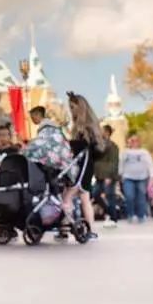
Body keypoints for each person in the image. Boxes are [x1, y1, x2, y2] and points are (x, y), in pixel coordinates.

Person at [62, 93, 105, 240]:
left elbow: (78, 149)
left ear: (79, 109)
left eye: (72, 108)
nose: (70, 110)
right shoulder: (89, 129)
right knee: (85, 198)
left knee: (67, 198)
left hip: (81, 169)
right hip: (86, 168)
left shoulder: (82, 130)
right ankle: (90, 229)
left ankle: (64, 227)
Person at [24, 106, 74, 190]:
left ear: (38, 114)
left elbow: (40, 145)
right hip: (63, 159)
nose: (32, 120)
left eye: (33, 117)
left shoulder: (46, 127)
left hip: (56, 161)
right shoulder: (51, 126)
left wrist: (26, 150)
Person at [119, 133, 153, 223]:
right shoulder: (125, 152)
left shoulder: (144, 152)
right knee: (129, 196)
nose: (134, 142)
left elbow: (150, 164)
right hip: (128, 177)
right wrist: (120, 175)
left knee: (141, 197)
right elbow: (120, 164)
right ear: (129, 142)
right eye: (132, 140)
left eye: (136, 140)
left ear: (139, 142)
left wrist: (152, 176)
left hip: (142, 178)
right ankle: (130, 214)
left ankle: (141, 215)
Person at [93, 125, 120, 227]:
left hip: (108, 175)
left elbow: (114, 162)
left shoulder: (113, 146)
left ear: (107, 133)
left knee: (110, 196)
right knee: (95, 194)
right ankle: (110, 212)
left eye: (102, 131)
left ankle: (113, 218)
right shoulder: (98, 145)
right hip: (99, 175)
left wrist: (109, 176)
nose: (100, 133)